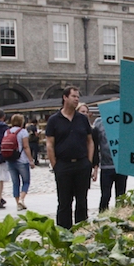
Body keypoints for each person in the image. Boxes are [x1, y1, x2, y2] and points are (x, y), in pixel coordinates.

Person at [45, 87, 95, 228]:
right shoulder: (54, 120)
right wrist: (55, 165)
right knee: (64, 202)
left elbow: (90, 141)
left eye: (78, 96)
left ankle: (81, 230)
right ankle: (63, 232)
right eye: (73, 96)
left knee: (81, 201)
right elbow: (50, 144)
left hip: (81, 165)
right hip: (63, 165)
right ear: (65, 97)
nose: (76, 99)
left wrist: (89, 162)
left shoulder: (82, 119)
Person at [91, 113, 126, 211]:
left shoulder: (123, 121)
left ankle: (120, 215)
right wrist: (95, 165)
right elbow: (95, 143)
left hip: (121, 166)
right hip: (106, 166)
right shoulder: (99, 122)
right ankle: (102, 215)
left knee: (121, 195)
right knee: (105, 195)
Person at [6, 113, 34, 211]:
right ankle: (22, 199)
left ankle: (18, 203)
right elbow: (26, 147)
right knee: (26, 181)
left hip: (10, 160)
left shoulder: (7, 132)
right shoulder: (23, 132)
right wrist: (31, 160)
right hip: (22, 160)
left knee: (15, 183)